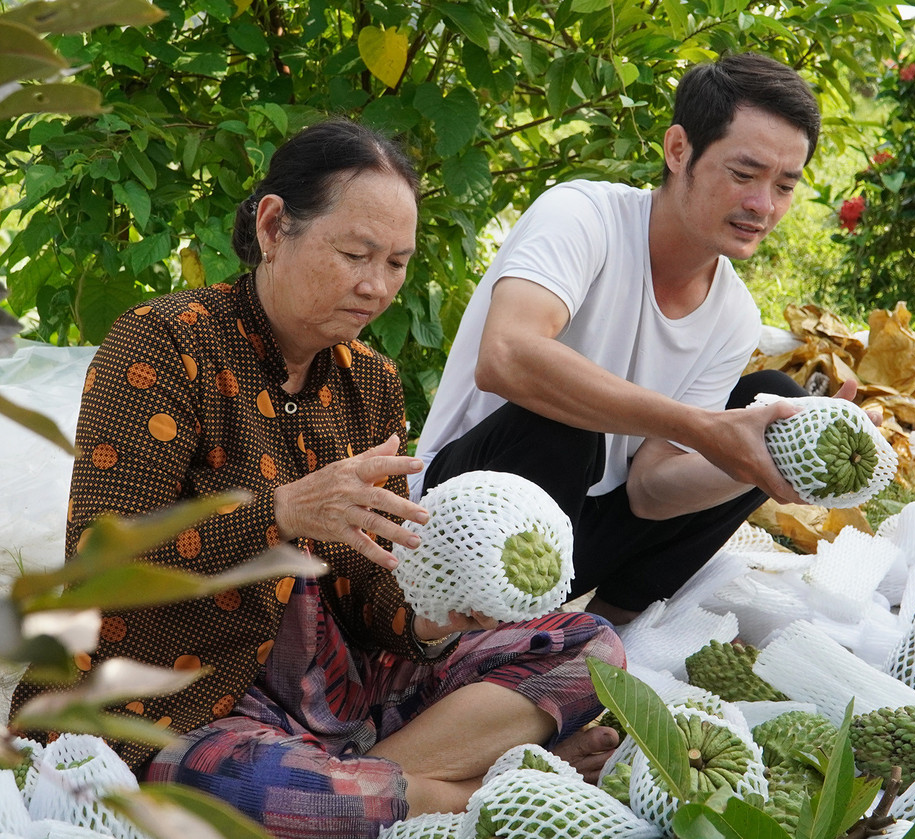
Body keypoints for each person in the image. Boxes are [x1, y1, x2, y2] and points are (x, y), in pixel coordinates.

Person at [9, 118, 623, 838]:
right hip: (181, 698)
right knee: (236, 786)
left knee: (591, 646)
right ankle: (471, 786)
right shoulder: (166, 341)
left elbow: (370, 592)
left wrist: (429, 618)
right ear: (274, 226)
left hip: (332, 689)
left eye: (397, 262)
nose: (377, 285)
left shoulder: (371, 383)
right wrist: (282, 512)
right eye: (356, 253)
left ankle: (367, 785)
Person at [414, 52, 826, 625]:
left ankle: (605, 635)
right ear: (678, 150)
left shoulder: (734, 313)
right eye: (743, 174)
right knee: (563, 424)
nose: (763, 205)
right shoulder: (583, 216)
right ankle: (473, 637)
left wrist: (754, 461)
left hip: (571, 540)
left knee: (780, 411)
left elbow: (650, 492)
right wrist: (703, 429)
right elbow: (505, 357)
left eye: (784, 185)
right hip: (460, 517)